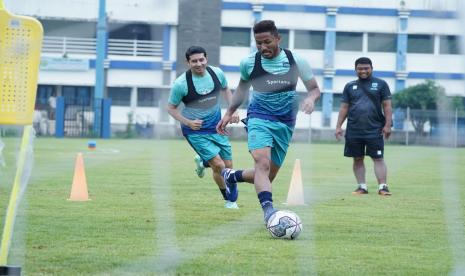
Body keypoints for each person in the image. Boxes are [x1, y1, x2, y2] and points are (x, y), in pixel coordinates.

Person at [217, 20, 321, 224]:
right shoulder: (249, 63)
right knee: (262, 163)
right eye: (258, 43)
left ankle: (232, 175)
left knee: (267, 175)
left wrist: (310, 98)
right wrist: (229, 112)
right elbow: (241, 90)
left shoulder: (296, 60)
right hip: (259, 117)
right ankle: (269, 212)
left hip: (285, 122)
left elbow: (315, 89)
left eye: (267, 42)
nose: (263, 47)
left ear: (278, 39)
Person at [167, 46, 242, 209]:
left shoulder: (217, 73)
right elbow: (170, 108)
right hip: (195, 131)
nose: (198, 63)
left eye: (201, 59)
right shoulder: (181, 84)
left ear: (206, 59)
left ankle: (203, 161)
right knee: (220, 166)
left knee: (228, 166)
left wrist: (232, 110)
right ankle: (230, 199)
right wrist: (188, 122)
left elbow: (226, 90)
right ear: (188, 62)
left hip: (217, 126)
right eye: (194, 61)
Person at [335, 57, 393, 196]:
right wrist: (338, 126)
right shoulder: (350, 86)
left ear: (371, 68)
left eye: (366, 68)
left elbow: (387, 106)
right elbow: (344, 107)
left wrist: (388, 125)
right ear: (355, 70)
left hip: (375, 129)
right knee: (357, 158)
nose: (363, 71)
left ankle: (383, 187)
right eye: (360, 68)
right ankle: (362, 187)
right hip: (354, 129)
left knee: (378, 158)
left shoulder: (381, 84)